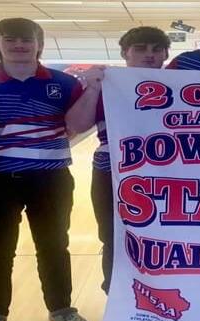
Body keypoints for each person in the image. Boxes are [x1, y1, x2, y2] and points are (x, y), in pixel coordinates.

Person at [0, 18, 88, 321]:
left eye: (26, 39)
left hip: (51, 178)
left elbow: (78, 123)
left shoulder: (65, 84)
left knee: (54, 244)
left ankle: (61, 307)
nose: (19, 45)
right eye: (10, 39)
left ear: (39, 44)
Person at [64, 26, 171, 293]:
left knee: (164, 237)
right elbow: (77, 124)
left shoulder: (178, 85)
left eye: (156, 49)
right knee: (113, 235)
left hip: (168, 172)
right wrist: (91, 89)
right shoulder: (105, 85)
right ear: (125, 53)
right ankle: (116, 295)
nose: (149, 55)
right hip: (112, 169)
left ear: (166, 55)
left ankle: (163, 292)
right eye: (140, 49)